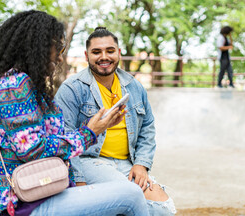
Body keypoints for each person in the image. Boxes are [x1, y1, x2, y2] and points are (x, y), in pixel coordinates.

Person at [0, 10, 149, 216]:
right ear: (39, 46)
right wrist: (90, 132)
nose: (61, 56)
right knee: (131, 194)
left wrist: (99, 127)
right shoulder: (14, 85)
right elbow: (31, 150)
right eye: (59, 48)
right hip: (24, 204)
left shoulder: (30, 85)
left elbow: (51, 140)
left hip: (46, 192)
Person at [55, 27, 176, 216]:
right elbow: (64, 137)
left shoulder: (134, 86)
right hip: (91, 161)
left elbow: (147, 128)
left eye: (110, 51)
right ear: (87, 56)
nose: (104, 56)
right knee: (129, 198)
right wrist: (78, 181)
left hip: (127, 163)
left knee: (163, 208)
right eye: (96, 52)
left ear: (118, 53)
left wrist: (142, 165)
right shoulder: (72, 89)